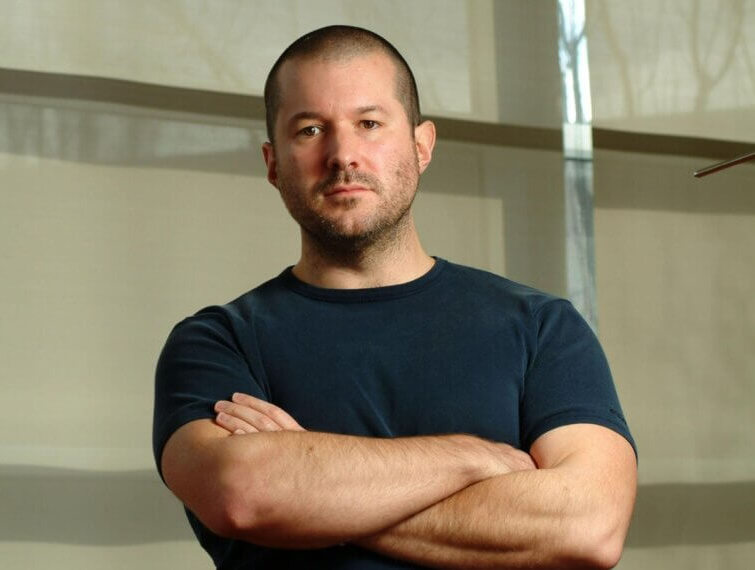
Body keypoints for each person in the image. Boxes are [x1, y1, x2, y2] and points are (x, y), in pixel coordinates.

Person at [151, 25, 637, 569]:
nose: (342, 155)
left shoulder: (542, 327)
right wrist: (477, 459)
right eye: (310, 129)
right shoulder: (217, 342)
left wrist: (313, 492)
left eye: (369, 123)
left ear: (421, 144)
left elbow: (589, 525)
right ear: (272, 162)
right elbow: (244, 494)